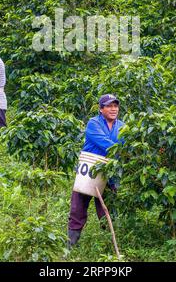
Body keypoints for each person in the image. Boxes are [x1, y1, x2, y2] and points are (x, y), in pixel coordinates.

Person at [68, 94, 124, 248]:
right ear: (101, 109)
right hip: (89, 169)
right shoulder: (94, 123)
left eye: (115, 106)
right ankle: (71, 245)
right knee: (78, 207)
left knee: (108, 210)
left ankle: (108, 245)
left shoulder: (122, 126)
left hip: (110, 173)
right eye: (109, 106)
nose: (113, 109)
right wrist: (123, 149)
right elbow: (104, 143)